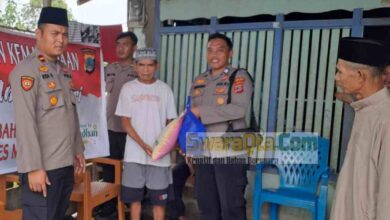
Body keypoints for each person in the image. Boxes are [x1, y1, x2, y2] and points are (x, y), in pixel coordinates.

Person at [9, 7, 85, 220]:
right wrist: (33, 168)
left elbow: (71, 115)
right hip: (43, 169)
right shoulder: (26, 72)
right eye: (54, 33)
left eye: (64, 34)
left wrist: (78, 150)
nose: (60, 40)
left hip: (64, 166)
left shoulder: (61, 72)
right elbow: (26, 123)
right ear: (39, 34)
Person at [189, 33, 253, 220]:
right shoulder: (199, 80)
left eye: (220, 49)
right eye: (210, 50)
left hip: (230, 150)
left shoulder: (239, 77)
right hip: (203, 151)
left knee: (231, 206)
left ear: (230, 53)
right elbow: (191, 116)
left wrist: (202, 112)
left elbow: (238, 110)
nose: (214, 54)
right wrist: (190, 148)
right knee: (206, 205)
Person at [330, 37, 390, 220]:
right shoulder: (364, 110)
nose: (336, 77)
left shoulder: (385, 121)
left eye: (339, 72)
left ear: (361, 76)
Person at [115, 48, 177, 220]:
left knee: (159, 202)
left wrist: (162, 147)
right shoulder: (128, 89)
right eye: (141, 65)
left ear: (156, 66)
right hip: (134, 155)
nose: (146, 69)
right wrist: (143, 145)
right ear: (135, 66)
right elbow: (125, 122)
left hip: (159, 156)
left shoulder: (165, 90)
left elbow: (171, 123)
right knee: (134, 200)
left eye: (150, 65)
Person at [99, 31, 138, 217]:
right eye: (118, 44)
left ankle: (130, 206)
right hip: (110, 128)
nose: (121, 48)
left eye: (125, 44)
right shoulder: (109, 69)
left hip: (131, 130)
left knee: (131, 170)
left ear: (134, 48)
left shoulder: (140, 70)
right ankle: (109, 207)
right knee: (109, 169)